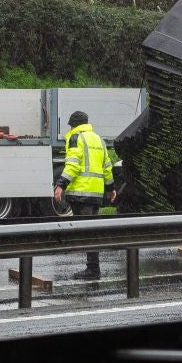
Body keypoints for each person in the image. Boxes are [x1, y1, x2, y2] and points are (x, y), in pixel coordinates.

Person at [54, 110, 115, 279]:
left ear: (73, 124)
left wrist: (61, 184)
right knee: (90, 230)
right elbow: (107, 167)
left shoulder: (76, 138)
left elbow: (73, 164)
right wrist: (111, 188)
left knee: (88, 232)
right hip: (95, 193)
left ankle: (93, 270)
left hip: (81, 192)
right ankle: (92, 268)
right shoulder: (99, 139)